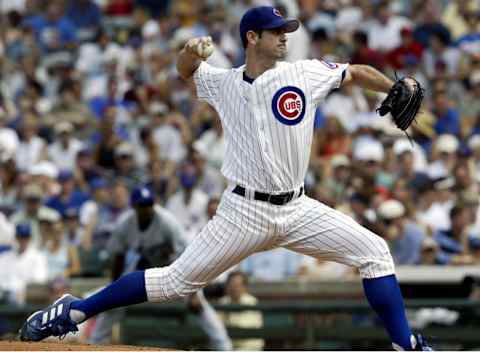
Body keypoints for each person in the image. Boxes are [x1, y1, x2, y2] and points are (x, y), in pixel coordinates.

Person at [20, 6, 431, 350]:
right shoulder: (222, 81)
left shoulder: (305, 73)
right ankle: (74, 309)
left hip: (298, 207)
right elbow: (184, 71)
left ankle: (404, 345)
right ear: (252, 37)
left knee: (375, 252)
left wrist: (392, 85)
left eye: (285, 30)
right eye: (275, 32)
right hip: (244, 211)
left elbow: (354, 71)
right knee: (176, 283)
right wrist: (188, 51)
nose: (284, 37)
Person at [88, 186, 232, 350]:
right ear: (134, 206)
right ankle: (93, 344)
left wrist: (193, 294)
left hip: (172, 267)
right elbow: (119, 256)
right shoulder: (125, 223)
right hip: (142, 267)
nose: (146, 208)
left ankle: (224, 347)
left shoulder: (167, 221)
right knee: (112, 302)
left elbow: (188, 256)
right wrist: (114, 288)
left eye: (149, 204)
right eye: (142, 205)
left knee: (199, 307)